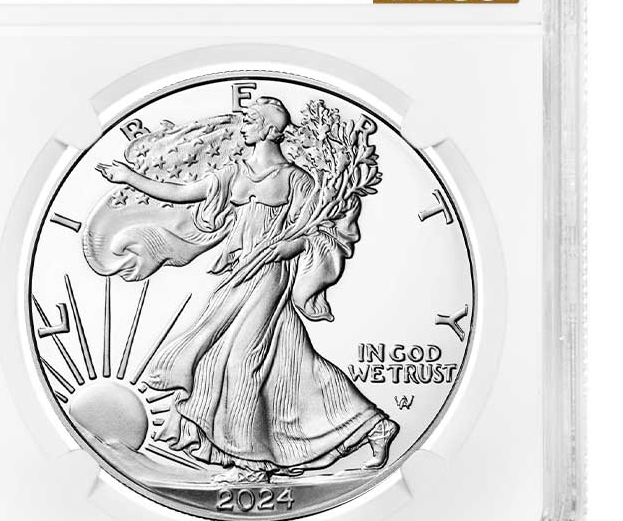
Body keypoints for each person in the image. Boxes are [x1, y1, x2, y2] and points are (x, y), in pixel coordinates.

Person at [96, 97, 398, 482]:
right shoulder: (234, 173)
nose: (244, 125)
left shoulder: (295, 180)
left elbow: (317, 229)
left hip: (270, 273)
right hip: (239, 274)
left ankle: (252, 463)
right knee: (289, 361)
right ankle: (373, 427)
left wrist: (290, 245)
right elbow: (181, 192)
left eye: (251, 120)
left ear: (270, 129)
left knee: (241, 361)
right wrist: (129, 178)